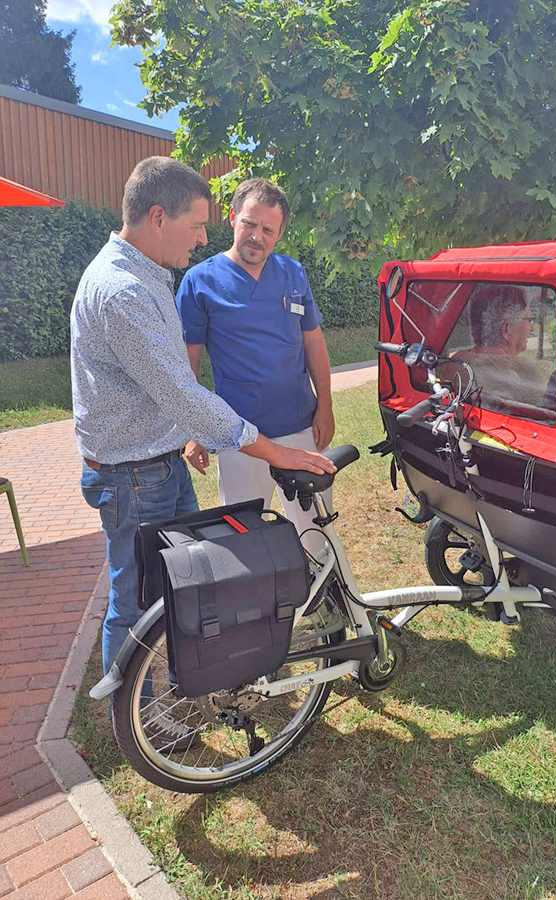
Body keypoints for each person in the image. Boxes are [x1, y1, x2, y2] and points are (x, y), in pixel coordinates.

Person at [70, 157, 335, 736]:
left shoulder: (148, 273)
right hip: (133, 475)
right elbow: (184, 394)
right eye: (197, 222)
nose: (204, 235)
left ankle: (180, 685)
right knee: (137, 598)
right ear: (158, 216)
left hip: (158, 466)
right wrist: (276, 452)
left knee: (189, 582)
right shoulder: (124, 293)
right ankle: (142, 721)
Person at [176, 178, 335, 553]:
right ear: (231, 217)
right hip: (239, 435)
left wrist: (325, 404)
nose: (256, 236)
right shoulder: (199, 282)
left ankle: (326, 598)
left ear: (280, 234)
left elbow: (313, 340)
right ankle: (258, 607)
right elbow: (189, 362)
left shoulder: (293, 273)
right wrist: (194, 428)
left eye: (268, 229)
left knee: (316, 528)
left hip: (299, 425)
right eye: (249, 223)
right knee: (245, 534)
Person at [443, 284, 556, 413]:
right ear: (506, 329)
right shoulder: (522, 372)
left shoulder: (457, 362)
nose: (531, 328)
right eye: (529, 320)